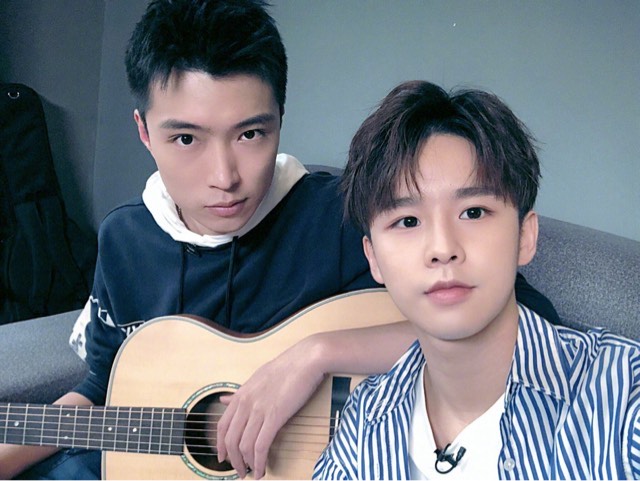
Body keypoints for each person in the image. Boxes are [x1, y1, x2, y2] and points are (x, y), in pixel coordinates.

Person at [0, 2, 558, 479]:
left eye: (250, 133)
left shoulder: (344, 216)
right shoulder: (126, 238)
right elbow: (105, 381)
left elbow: (528, 325)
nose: (224, 176)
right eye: (186, 139)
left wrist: (315, 356)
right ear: (144, 131)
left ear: (280, 121)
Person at [312, 80, 640, 480]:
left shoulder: (624, 394)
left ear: (525, 236)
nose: (442, 248)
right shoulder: (362, 427)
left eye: (474, 212)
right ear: (373, 259)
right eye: (408, 221)